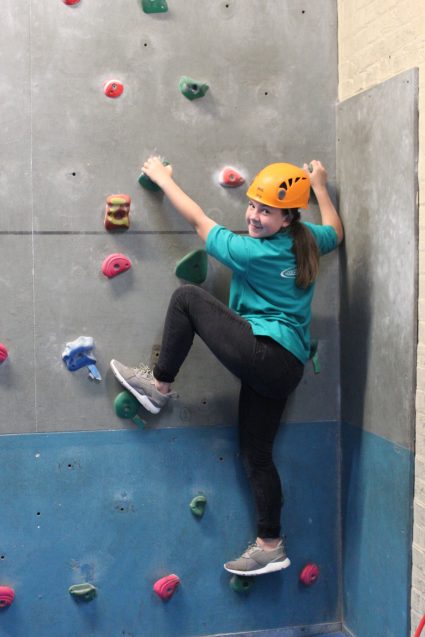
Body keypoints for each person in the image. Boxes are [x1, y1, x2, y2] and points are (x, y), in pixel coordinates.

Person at [110, 157, 343, 576]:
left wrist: (163, 178)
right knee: (256, 454)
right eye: (253, 205)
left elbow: (200, 220)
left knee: (187, 299)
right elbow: (337, 233)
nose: (253, 215)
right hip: (284, 367)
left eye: (266, 210)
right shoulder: (308, 240)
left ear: (288, 217)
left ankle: (158, 388)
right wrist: (321, 187)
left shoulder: (253, 252)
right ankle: (271, 544)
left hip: (266, 354)